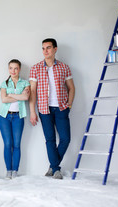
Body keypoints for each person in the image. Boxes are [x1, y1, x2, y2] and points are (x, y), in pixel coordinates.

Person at [29, 38, 75, 179]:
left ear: (55, 49)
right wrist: (32, 112)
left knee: (65, 139)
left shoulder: (64, 67)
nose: (45, 51)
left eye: (48, 48)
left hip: (61, 108)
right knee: (50, 140)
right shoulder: (35, 68)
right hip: (44, 109)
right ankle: (56, 170)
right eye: (43, 48)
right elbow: (32, 92)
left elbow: (71, 88)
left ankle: (53, 167)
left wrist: (69, 105)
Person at [0, 59, 30, 179]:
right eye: (11, 68)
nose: (13, 70)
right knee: (7, 144)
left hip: (18, 116)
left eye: (16, 68)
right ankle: (8, 171)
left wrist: (10, 95)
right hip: (4, 117)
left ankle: (15, 171)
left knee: (16, 144)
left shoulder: (25, 83)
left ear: (19, 69)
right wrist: (19, 96)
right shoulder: (4, 84)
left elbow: (26, 97)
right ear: (8, 69)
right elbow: (4, 100)